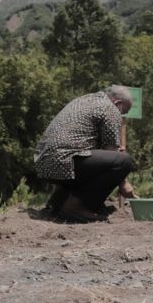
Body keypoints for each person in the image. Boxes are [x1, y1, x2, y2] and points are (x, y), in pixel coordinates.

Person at [34, 85, 136, 223]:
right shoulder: (110, 108)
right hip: (65, 160)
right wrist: (123, 182)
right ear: (117, 103)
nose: (121, 115)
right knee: (125, 161)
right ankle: (75, 208)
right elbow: (111, 151)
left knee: (109, 162)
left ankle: (57, 204)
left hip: (44, 163)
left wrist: (112, 155)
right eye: (123, 111)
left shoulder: (84, 100)